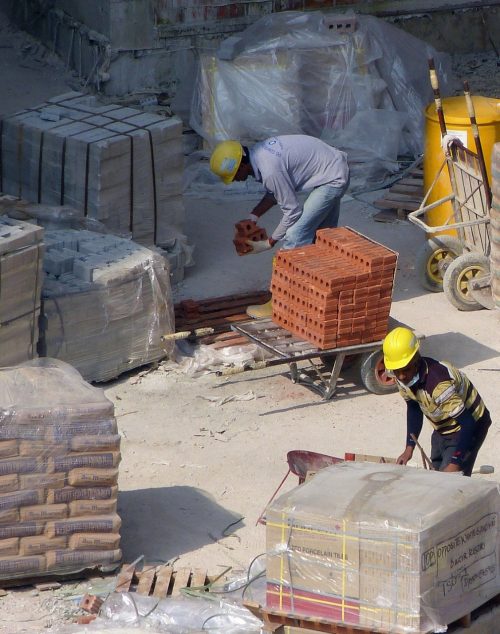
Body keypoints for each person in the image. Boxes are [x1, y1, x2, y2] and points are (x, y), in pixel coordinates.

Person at [210, 135, 350, 317]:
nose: (236, 180)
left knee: (295, 237)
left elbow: (293, 211)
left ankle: (279, 303)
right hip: (333, 167)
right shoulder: (260, 155)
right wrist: (254, 216)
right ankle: (321, 296)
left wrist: (270, 242)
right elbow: (274, 193)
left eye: (235, 175)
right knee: (322, 239)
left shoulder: (269, 171)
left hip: (332, 179)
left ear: (242, 166)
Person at [382, 327, 491, 476]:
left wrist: (455, 463)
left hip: (470, 425)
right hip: (443, 427)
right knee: (435, 474)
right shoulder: (403, 379)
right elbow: (414, 409)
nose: (401, 376)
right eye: (396, 371)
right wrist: (409, 448)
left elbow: (468, 423)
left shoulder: (439, 385)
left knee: (451, 482)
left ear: (416, 360)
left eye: (405, 370)